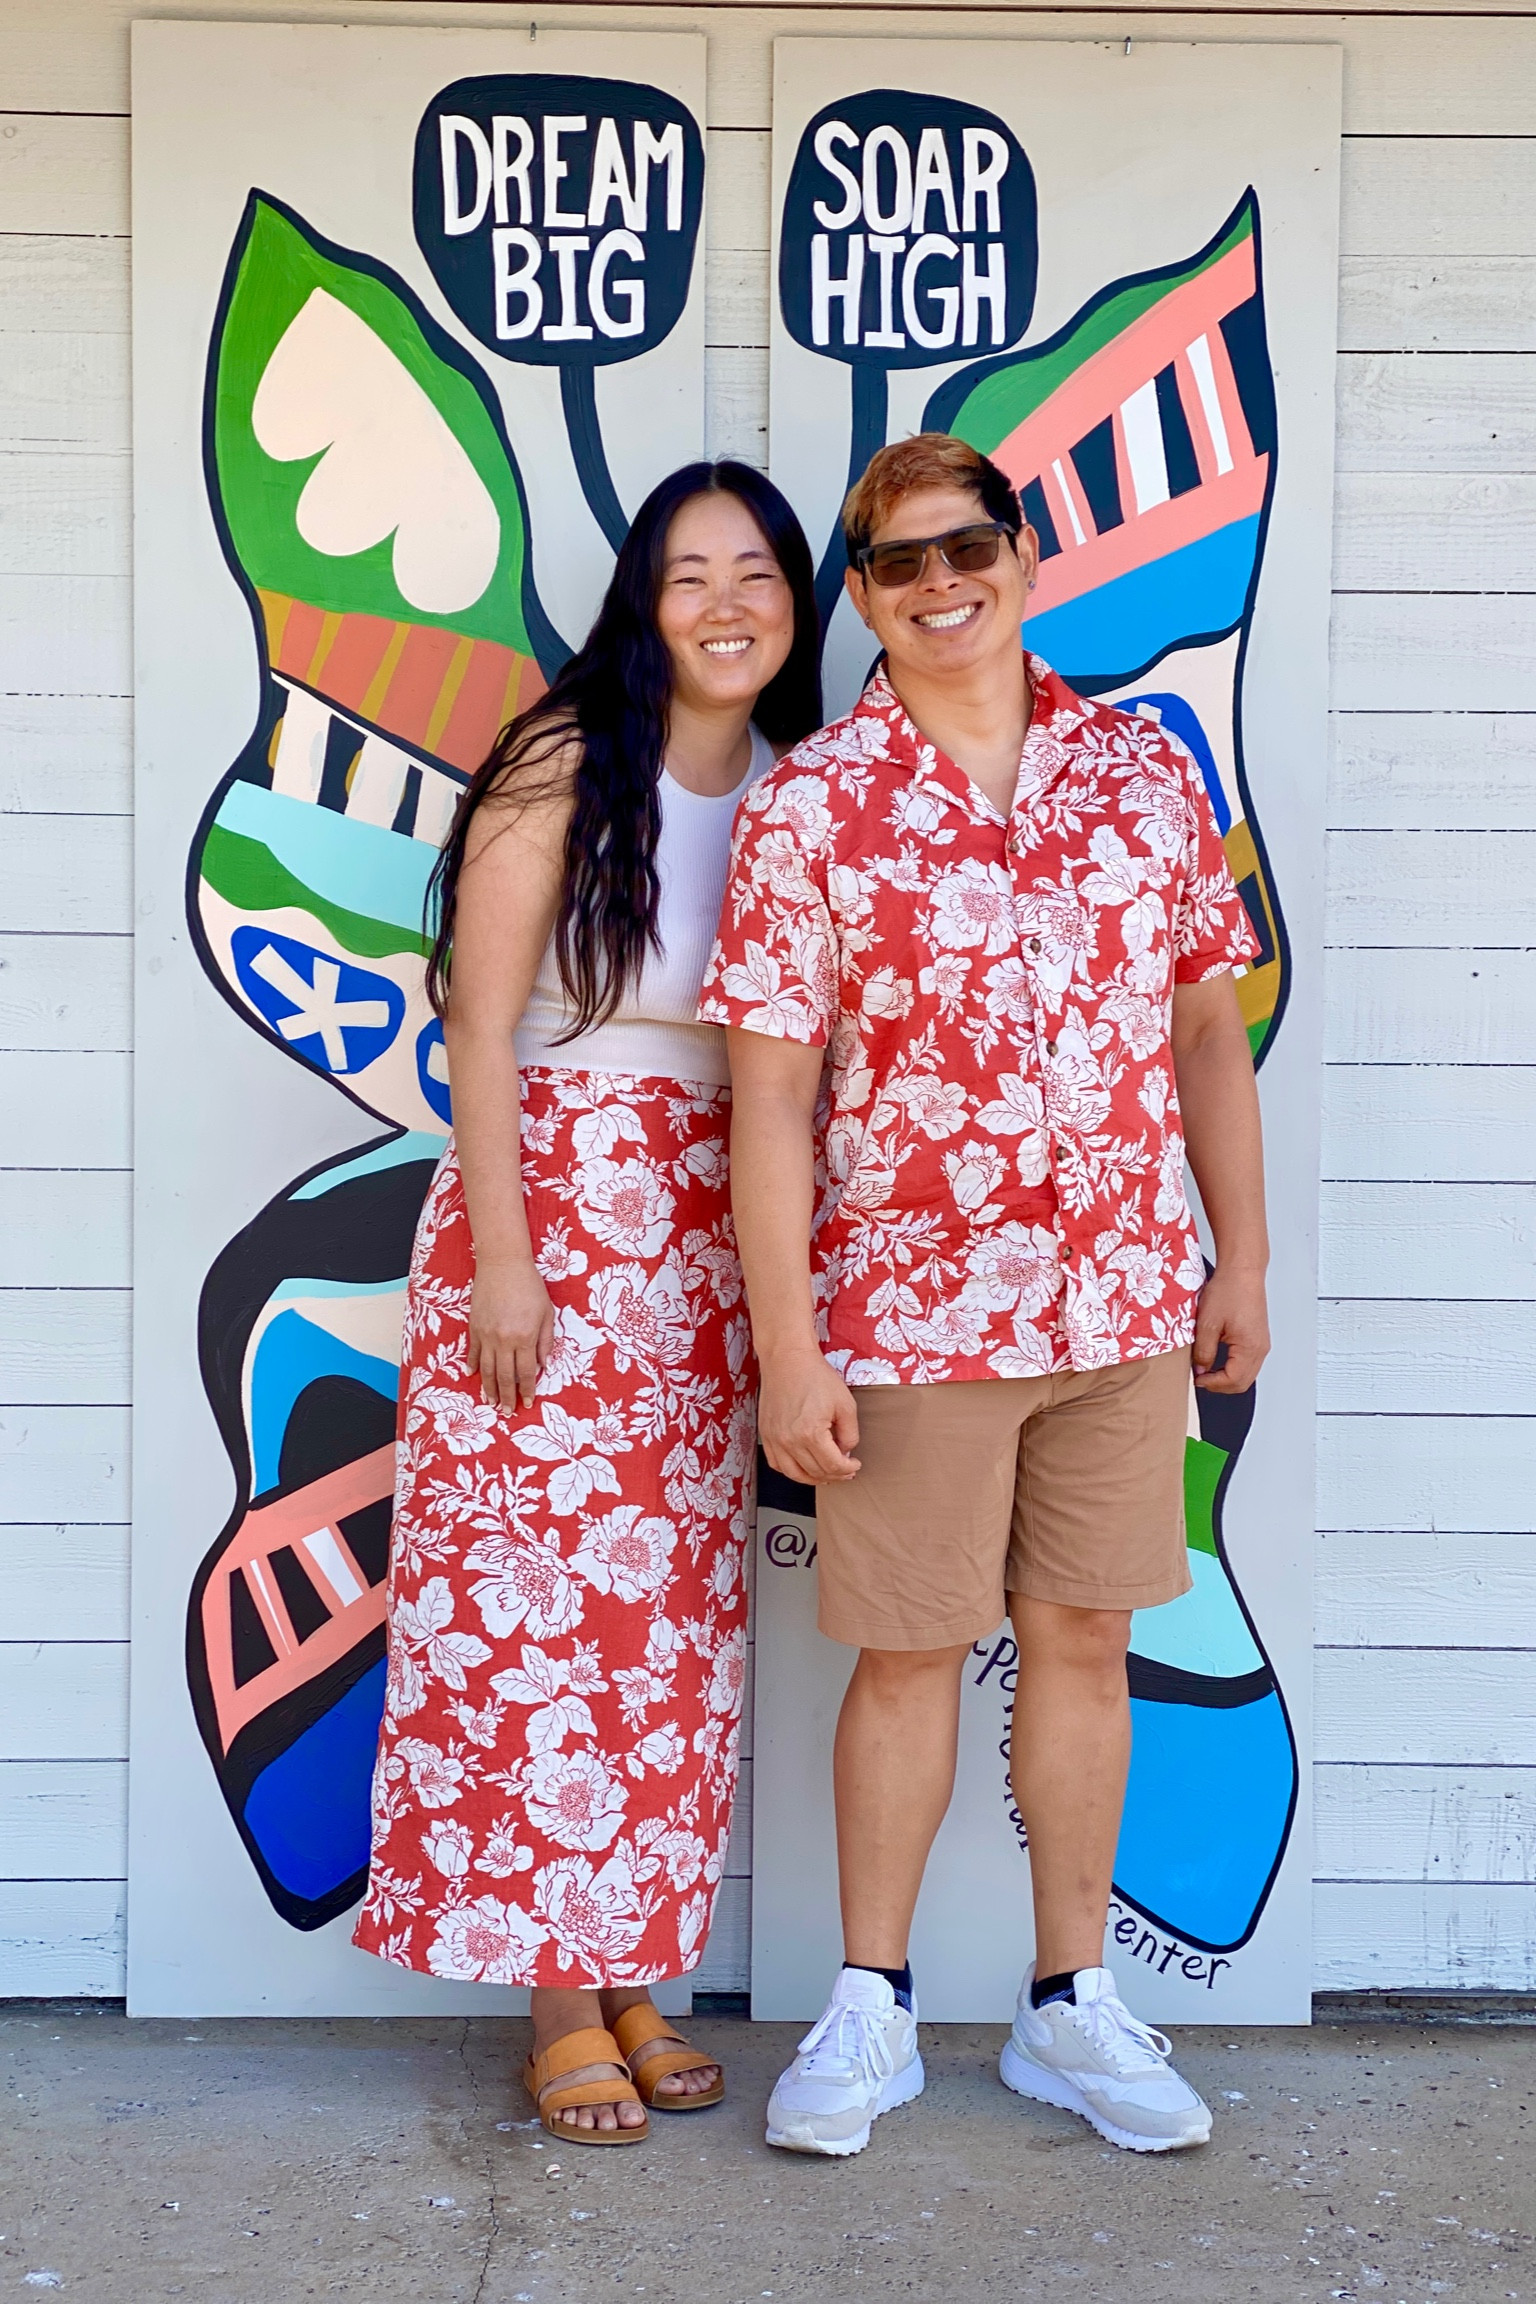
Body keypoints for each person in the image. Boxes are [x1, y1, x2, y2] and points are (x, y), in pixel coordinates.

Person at [701, 432, 1268, 2158]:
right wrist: (789, 1348)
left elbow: (1204, 1030)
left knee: (1090, 1638)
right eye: (899, 562)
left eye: (968, 547)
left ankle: (1067, 2006)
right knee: (907, 1655)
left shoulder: (1143, 775)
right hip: (913, 1315)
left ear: (1023, 558)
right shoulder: (813, 807)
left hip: (1120, 1306)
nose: (940, 583)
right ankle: (869, 2009)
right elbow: (770, 1098)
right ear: (865, 598)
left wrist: (1242, 1254)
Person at [353, 461, 822, 2145]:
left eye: (754, 572)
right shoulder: (564, 758)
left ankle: (629, 1969)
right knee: (534, 1616)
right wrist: (504, 1255)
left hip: (708, 1237)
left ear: (794, 602)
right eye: (689, 573)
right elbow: (478, 1025)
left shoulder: (795, 787)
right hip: (552, 1210)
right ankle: (557, 2000)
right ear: (645, 601)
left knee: (662, 1626)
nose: (724, 604)